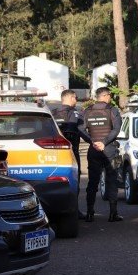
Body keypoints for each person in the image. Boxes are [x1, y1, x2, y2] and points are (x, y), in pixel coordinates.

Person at [78, 87, 123, 222]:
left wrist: (92, 141)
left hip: (93, 149)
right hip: (109, 149)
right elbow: (116, 129)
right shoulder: (112, 110)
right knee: (112, 181)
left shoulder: (87, 111)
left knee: (92, 182)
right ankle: (112, 214)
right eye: (110, 95)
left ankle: (90, 213)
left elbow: (80, 128)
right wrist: (103, 142)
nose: (110, 98)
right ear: (106, 96)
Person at [51, 90, 87, 220]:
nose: (76, 100)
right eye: (75, 98)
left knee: (53, 182)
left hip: (52, 153)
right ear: (71, 98)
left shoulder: (52, 113)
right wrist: (93, 142)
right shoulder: (76, 113)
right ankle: (73, 211)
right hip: (72, 153)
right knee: (73, 182)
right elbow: (81, 131)